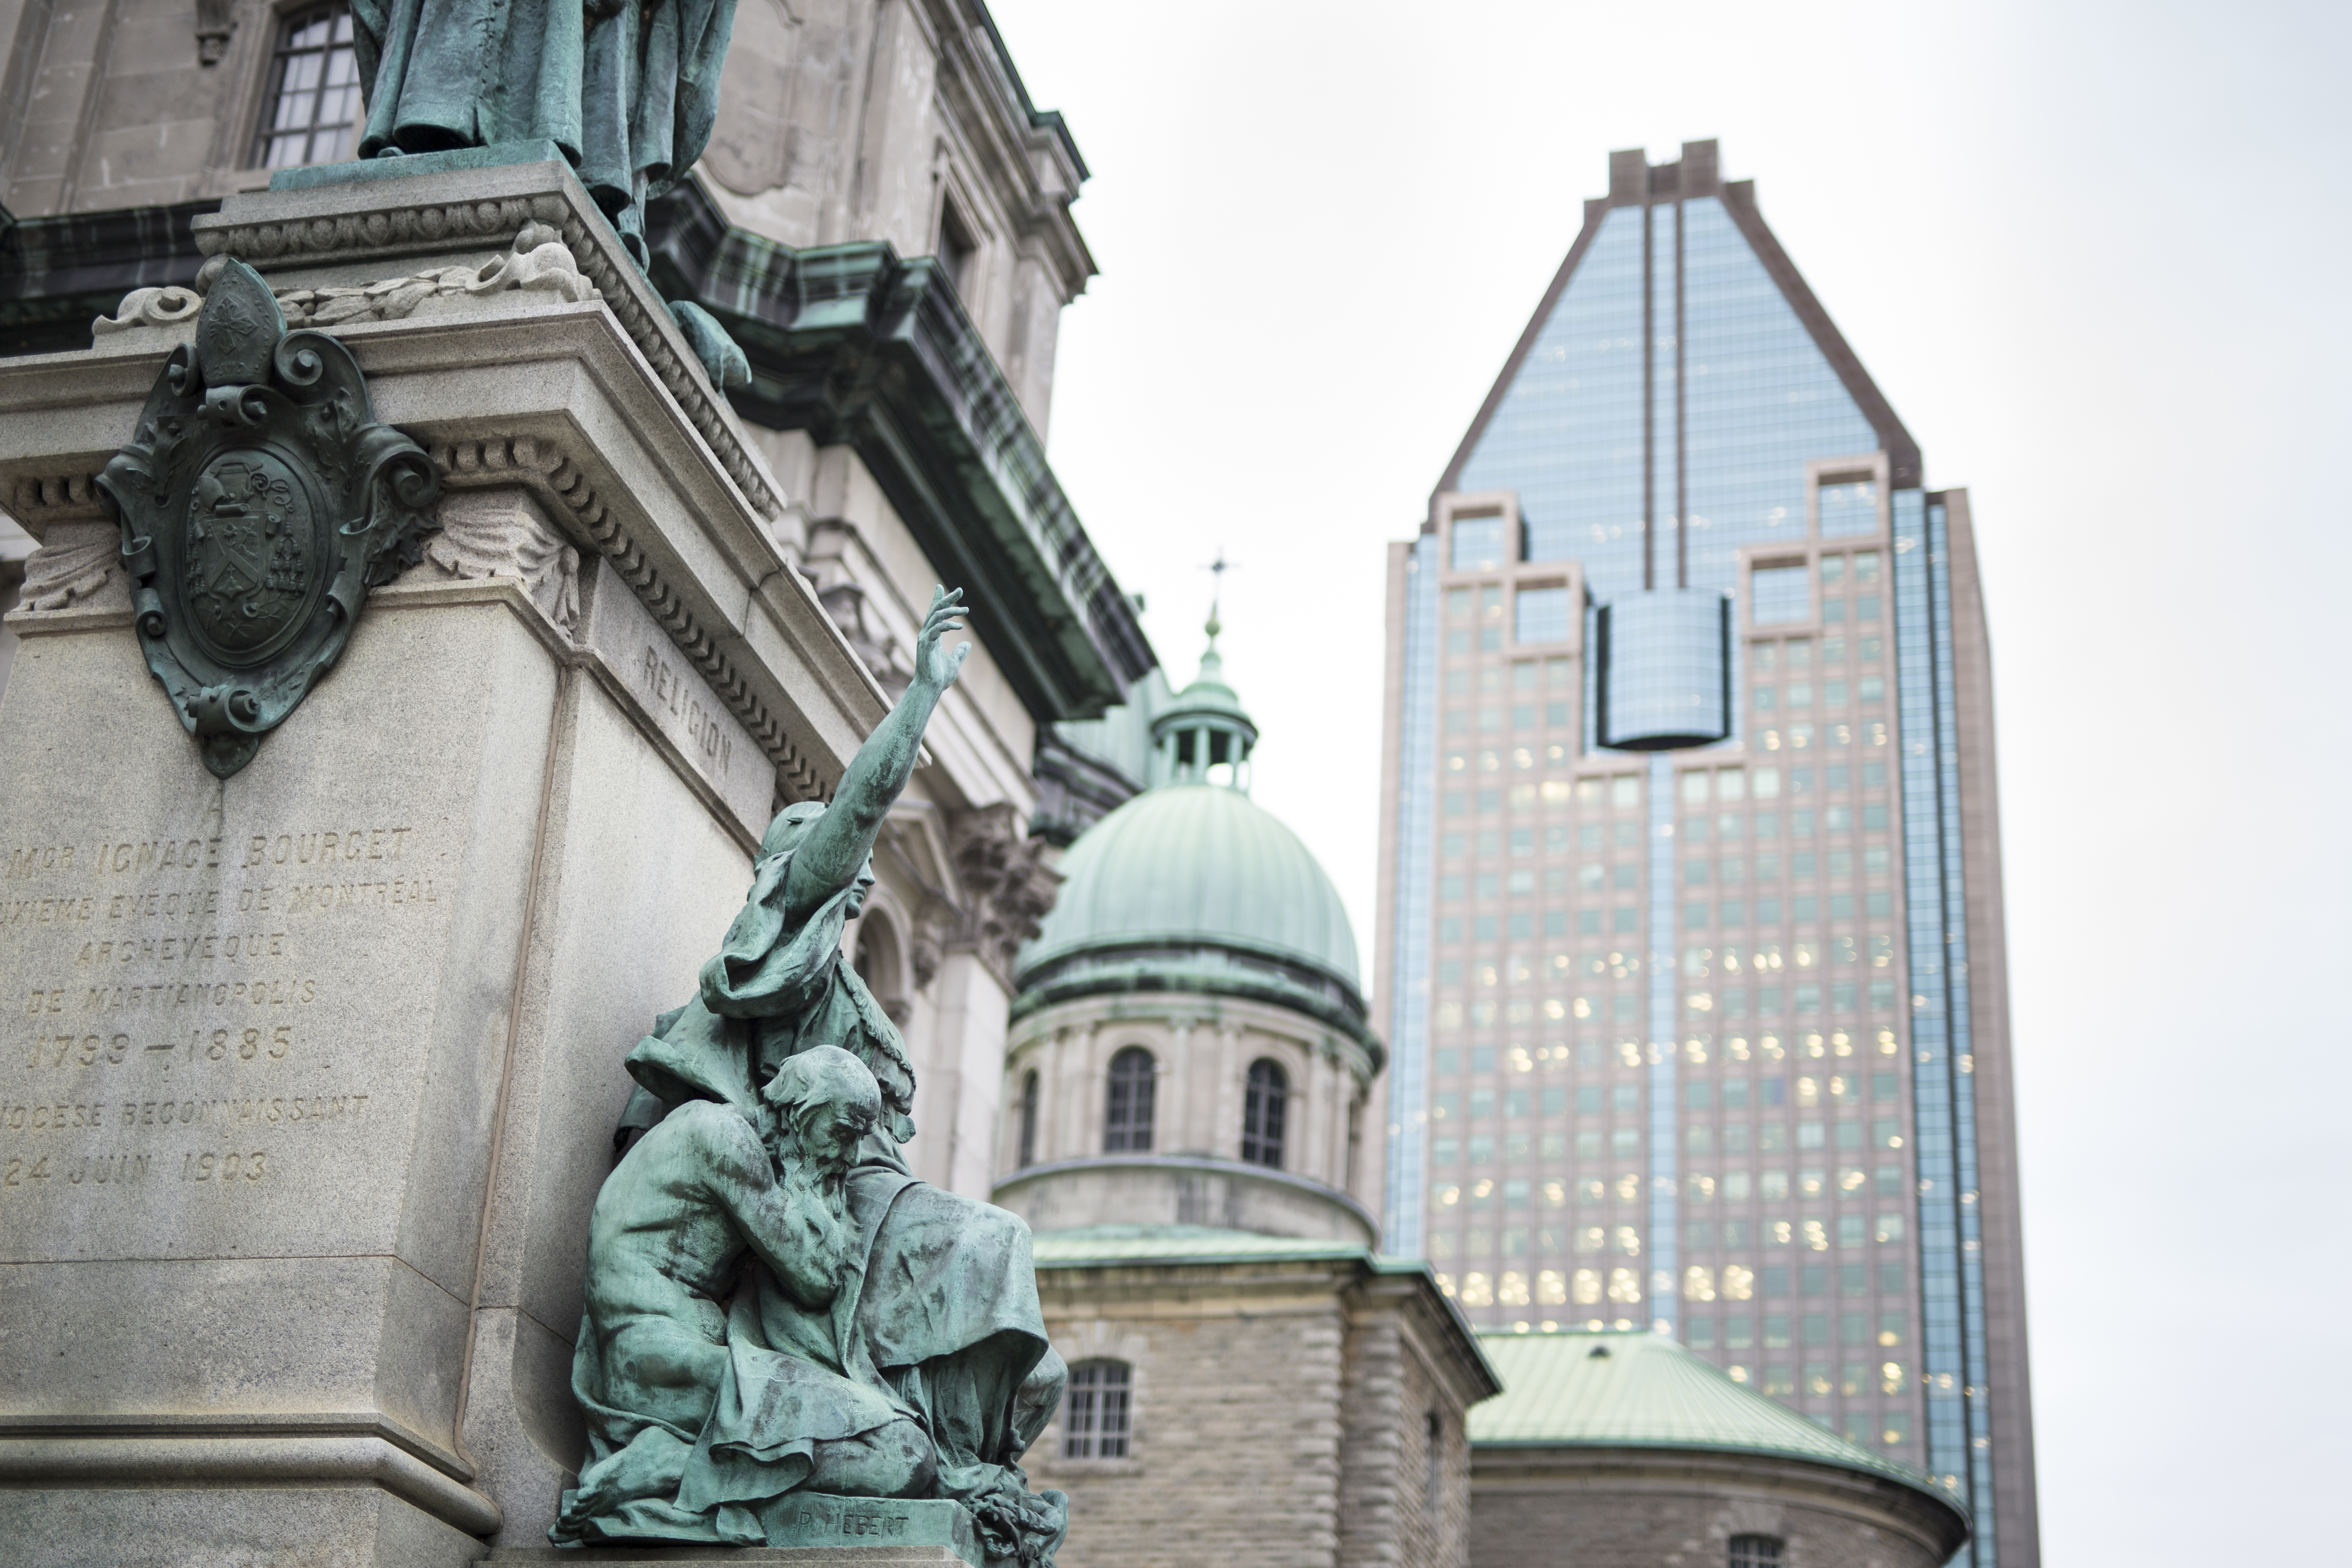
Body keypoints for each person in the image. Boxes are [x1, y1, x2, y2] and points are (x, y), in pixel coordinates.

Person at [612, 587, 1067, 1563]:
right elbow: (853, 819)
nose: (857, 882)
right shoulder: (777, 942)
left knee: (1031, 1345)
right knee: (992, 1246)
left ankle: (952, 1454)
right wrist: (919, 698)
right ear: (794, 872)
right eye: (830, 862)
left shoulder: (843, 978)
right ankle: (928, 1448)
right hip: (812, 1178)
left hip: (858, 1182)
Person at [554, 1047, 935, 1545]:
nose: (847, 1158)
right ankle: (676, 1463)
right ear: (801, 1111)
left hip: (679, 1357)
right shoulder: (724, 1140)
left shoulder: (730, 1140)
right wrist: (822, 1198)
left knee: (908, 1451)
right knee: (902, 1455)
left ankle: (682, 1459)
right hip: (652, 1365)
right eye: (843, 1133)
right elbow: (816, 1279)